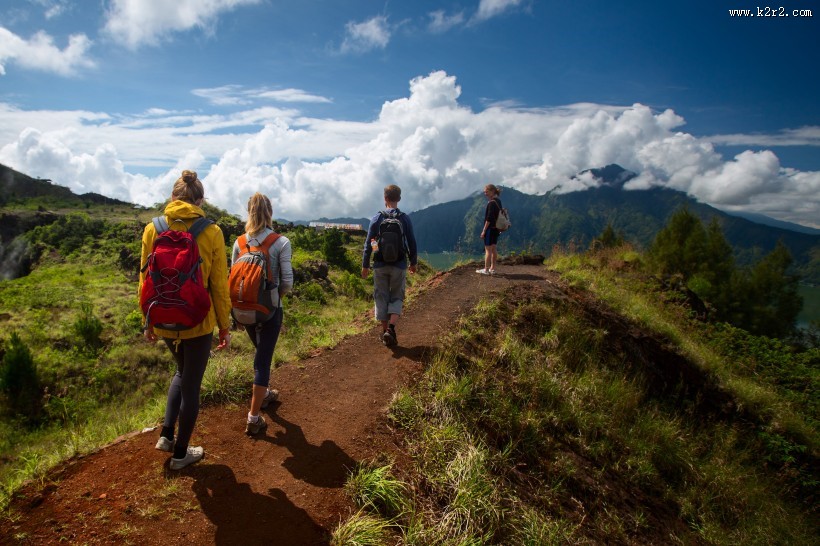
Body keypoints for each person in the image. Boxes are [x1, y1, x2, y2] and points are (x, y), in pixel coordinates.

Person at [140, 170, 232, 470]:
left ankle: (167, 435)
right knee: (192, 384)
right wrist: (224, 327)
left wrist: (148, 321)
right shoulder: (212, 231)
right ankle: (181, 454)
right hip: (197, 321)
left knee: (181, 372)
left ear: (172, 197)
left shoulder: (152, 229)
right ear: (201, 200)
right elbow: (219, 285)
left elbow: (143, 281)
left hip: (163, 317)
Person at [232, 193, 293, 436]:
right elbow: (287, 282)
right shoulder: (281, 242)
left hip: (243, 310)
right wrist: (275, 299)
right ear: (270, 212)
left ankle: (265, 393)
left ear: (249, 212)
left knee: (260, 352)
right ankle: (254, 417)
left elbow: (233, 278)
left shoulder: (239, 243)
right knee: (263, 360)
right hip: (269, 311)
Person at [361, 184, 418, 347]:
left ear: (385, 198)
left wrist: (366, 264)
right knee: (397, 296)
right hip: (399, 264)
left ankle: (385, 331)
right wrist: (413, 262)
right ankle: (391, 329)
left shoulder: (377, 218)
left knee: (381, 296)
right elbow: (411, 242)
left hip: (379, 264)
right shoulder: (404, 218)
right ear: (399, 199)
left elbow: (369, 242)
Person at [477, 183, 503, 275]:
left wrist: (484, 231)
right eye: (484, 192)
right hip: (496, 229)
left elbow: (489, 218)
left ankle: (486, 270)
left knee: (488, 250)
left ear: (492, 191)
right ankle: (493, 268)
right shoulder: (498, 201)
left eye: (486, 192)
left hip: (490, 229)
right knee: (494, 248)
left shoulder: (491, 203)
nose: (485, 194)